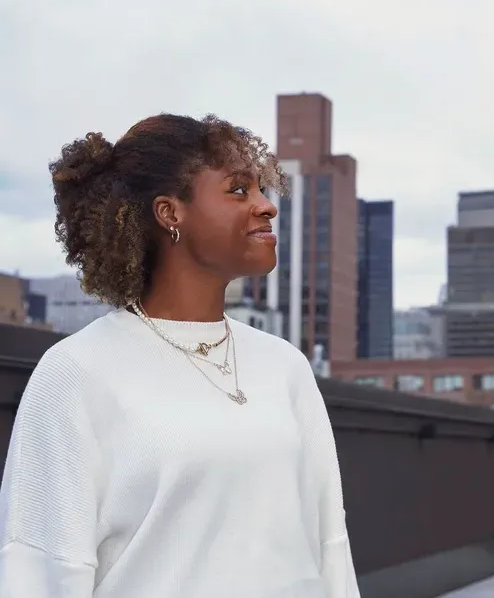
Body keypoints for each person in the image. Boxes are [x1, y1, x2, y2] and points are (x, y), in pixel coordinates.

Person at [0, 114, 360, 598]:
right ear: (170, 213)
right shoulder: (76, 373)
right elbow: (41, 571)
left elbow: (330, 548)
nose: (266, 207)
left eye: (260, 189)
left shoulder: (285, 366)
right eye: (238, 190)